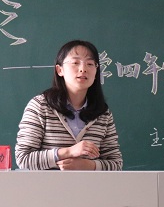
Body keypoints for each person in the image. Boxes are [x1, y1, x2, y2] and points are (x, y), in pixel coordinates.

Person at [15, 40, 123, 170]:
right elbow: (23, 158)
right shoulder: (40, 106)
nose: (83, 69)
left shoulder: (102, 113)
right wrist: (68, 152)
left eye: (90, 64)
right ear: (60, 70)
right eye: (75, 63)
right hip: (46, 183)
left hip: (89, 184)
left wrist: (88, 165)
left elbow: (116, 163)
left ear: (96, 72)